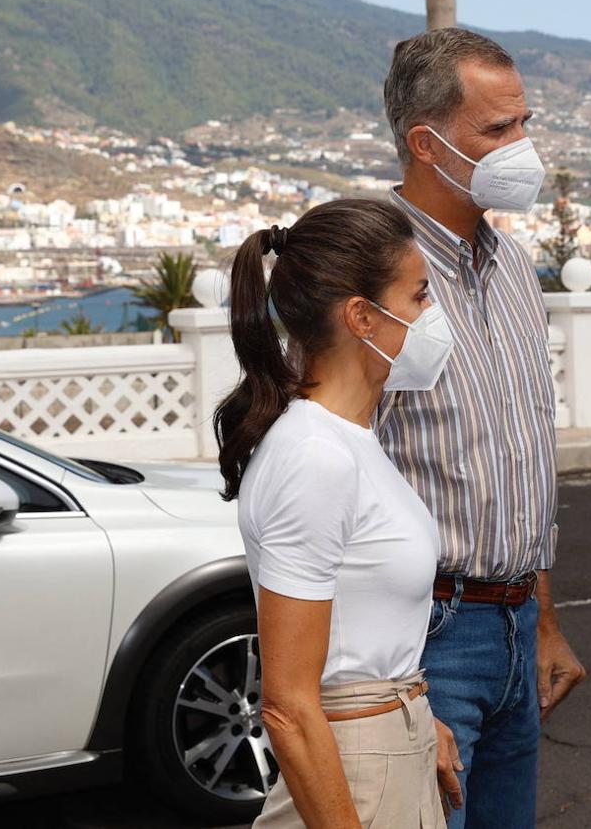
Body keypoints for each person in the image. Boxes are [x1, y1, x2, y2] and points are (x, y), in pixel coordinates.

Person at [376, 27, 586, 829]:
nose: (523, 148)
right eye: (498, 131)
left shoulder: (514, 271)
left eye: (524, 123)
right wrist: (388, 691)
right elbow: (330, 487)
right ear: (427, 144)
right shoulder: (371, 278)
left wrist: (543, 621)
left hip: (513, 628)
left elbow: (519, 466)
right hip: (421, 639)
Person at [214, 199, 464, 828]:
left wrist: (413, 719)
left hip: (381, 752)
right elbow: (290, 705)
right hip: (354, 774)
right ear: (362, 317)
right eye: (419, 296)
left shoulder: (348, 441)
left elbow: (357, 634)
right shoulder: (317, 455)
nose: (432, 315)